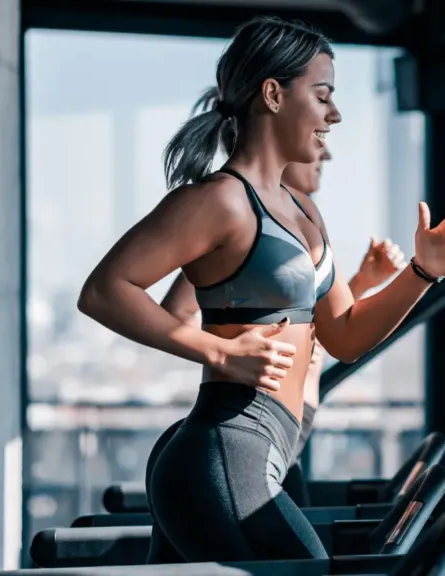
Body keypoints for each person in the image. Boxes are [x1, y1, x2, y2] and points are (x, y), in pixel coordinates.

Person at [77, 15, 445, 563]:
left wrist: (422, 273)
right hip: (224, 449)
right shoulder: (219, 201)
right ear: (273, 93)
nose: (334, 115)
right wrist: (217, 349)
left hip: (263, 452)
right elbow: (105, 291)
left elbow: (345, 336)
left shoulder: (304, 211)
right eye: (322, 96)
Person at [157, 148, 408, 509]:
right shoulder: (237, 220)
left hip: (286, 426)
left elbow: (313, 322)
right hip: (250, 424)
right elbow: (179, 311)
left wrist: (362, 283)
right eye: (317, 142)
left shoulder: (302, 216)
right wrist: (226, 351)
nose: (327, 155)